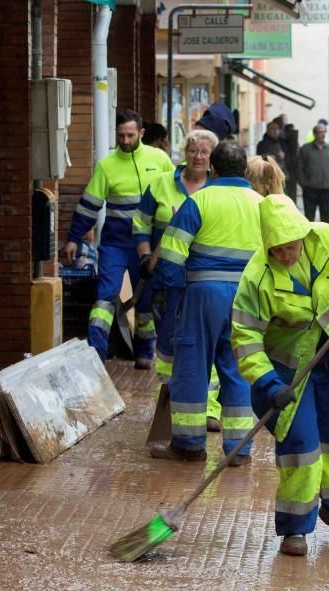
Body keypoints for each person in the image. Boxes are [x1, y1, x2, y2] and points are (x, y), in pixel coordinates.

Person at [231, 194, 329, 557]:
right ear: (269, 246)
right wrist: (268, 384)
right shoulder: (257, 277)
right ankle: (295, 528)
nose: (289, 255)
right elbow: (244, 337)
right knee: (300, 447)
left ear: (303, 232)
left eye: (293, 246)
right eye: (280, 250)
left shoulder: (325, 239)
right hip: (289, 374)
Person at [148, 141, 261, 464]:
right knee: (239, 370)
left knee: (193, 368)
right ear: (245, 171)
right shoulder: (261, 204)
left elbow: (170, 259)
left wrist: (167, 297)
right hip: (247, 299)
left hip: (201, 296)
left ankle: (188, 444)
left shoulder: (198, 201)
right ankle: (239, 449)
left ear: (214, 168)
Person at [62, 109, 174, 366]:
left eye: (130, 135)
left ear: (142, 133)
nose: (125, 141)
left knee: (145, 300)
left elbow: (175, 194)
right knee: (105, 298)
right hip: (115, 242)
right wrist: (73, 238)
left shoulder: (160, 159)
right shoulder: (107, 165)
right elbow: (89, 206)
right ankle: (97, 355)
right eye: (121, 135)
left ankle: (145, 352)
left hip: (146, 244)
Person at [133, 128, 221, 432]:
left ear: (212, 158)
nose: (198, 157)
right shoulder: (160, 184)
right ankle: (171, 400)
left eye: (204, 152)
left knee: (204, 343)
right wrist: (145, 257)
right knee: (168, 341)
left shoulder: (216, 188)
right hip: (166, 278)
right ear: (184, 152)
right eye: (193, 150)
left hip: (201, 280)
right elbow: (141, 225)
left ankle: (209, 408)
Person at [296, 124, 329, 223]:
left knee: (325, 218)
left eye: (324, 132)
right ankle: (309, 238)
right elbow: (299, 168)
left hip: (326, 189)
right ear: (315, 134)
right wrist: (304, 184)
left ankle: (324, 238)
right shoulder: (305, 149)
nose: (323, 134)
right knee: (309, 217)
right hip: (310, 190)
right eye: (320, 132)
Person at [282, 124, 300, 202]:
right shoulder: (282, 143)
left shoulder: (295, 143)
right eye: (289, 131)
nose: (291, 133)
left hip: (293, 171)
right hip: (285, 171)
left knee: (291, 194)